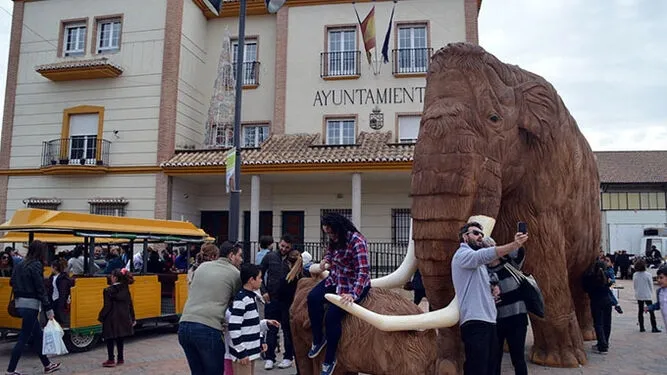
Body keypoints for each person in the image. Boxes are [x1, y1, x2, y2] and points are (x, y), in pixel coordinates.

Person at [451, 222, 528, 375]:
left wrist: (492, 289)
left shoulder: (480, 265)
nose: (480, 236)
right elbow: (484, 254)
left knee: (491, 368)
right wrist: (514, 244)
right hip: (475, 322)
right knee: (477, 368)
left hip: (490, 321)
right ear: (465, 237)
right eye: (476, 233)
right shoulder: (462, 255)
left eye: (482, 234)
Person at [307, 213, 371, 375]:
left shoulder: (357, 242)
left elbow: (363, 272)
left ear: (339, 228)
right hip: (336, 278)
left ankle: (330, 359)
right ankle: (318, 339)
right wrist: (325, 261)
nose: (330, 236)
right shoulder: (335, 238)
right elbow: (330, 251)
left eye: (331, 232)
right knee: (312, 298)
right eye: (327, 233)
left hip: (354, 284)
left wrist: (353, 294)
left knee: (332, 317)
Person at [178, 242, 243, 375]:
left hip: (184, 325)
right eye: (240, 256)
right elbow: (237, 302)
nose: (241, 260)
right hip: (208, 328)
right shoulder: (235, 274)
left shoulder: (202, 267)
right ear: (231, 256)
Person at [5, 240, 61, 375]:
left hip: (19, 303)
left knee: (37, 335)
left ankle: (47, 365)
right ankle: (10, 370)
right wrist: (48, 309)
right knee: (23, 337)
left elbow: (12, 282)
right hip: (31, 304)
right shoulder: (36, 265)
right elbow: (40, 288)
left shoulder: (20, 264)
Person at [485, 237, 528, 375]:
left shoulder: (511, 265)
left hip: (516, 318)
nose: (489, 252)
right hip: (496, 321)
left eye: (491, 248)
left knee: (518, 358)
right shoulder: (483, 272)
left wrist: (505, 249)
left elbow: (519, 252)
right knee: (494, 359)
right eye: (485, 249)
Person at [229, 263, 281, 375]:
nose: (261, 280)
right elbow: (233, 326)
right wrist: (241, 351)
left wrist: (265, 325)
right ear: (251, 280)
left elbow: (252, 324)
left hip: (250, 351)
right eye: (259, 277)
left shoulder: (251, 297)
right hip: (244, 353)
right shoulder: (242, 299)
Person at [260, 234, 296, 370]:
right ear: (278, 244)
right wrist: (263, 291)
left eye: (287, 247)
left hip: (287, 299)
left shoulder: (294, 259)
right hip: (272, 297)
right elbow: (260, 273)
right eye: (282, 246)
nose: (284, 249)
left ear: (291, 247)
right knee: (271, 329)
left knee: (287, 330)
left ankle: (288, 357)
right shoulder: (269, 257)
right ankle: (270, 357)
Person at [98, 268, 136, 367]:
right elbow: (130, 304)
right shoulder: (126, 288)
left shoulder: (108, 290)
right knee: (120, 338)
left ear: (115, 278)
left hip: (111, 317)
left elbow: (107, 306)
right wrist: (133, 317)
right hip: (123, 316)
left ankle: (111, 359)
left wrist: (101, 316)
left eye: (111, 276)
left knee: (110, 338)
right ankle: (120, 358)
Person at [583, 260, 613, 354]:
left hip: (596, 302)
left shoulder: (590, 277)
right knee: (607, 323)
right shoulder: (606, 275)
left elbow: (585, 288)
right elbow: (609, 283)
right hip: (607, 301)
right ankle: (605, 343)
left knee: (598, 323)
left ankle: (602, 345)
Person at [633, 259, 661, 333]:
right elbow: (651, 285)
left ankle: (641, 327)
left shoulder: (635, 274)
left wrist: (636, 292)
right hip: (647, 294)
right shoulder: (648, 274)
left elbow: (635, 285)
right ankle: (654, 327)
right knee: (651, 311)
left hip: (639, 294)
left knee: (640, 311)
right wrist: (651, 292)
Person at [47, 259, 73, 325]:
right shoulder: (53, 277)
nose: (50, 268)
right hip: (54, 300)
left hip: (58, 302)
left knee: (59, 321)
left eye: (51, 267)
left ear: (55, 267)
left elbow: (63, 292)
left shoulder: (62, 279)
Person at [645, 265, 667, 333]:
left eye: (661, 278)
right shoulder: (659, 291)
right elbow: (659, 305)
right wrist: (649, 307)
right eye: (657, 278)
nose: (659, 280)